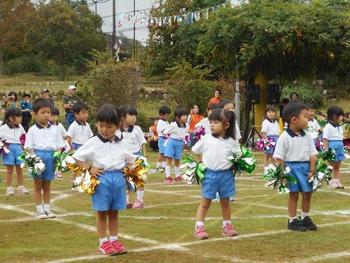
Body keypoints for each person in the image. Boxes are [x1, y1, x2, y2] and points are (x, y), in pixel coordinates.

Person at [73, 104, 135, 255]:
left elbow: (132, 160)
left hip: (118, 179)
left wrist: (128, 170)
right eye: (101, 126)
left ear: (117, 125)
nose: (104, 130)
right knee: (102, 212)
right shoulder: (93, 142)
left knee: (114, 212)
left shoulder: (121, 142)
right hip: (102, 180)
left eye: (109, 126)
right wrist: (90, 168)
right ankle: (103, 242)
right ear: (97, 125)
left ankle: (114, 240)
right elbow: (76, 158)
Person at [192, 109, 241, 239]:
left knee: (225, 202)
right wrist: (200, 163)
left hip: (226, 175)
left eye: (216, 122)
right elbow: (195, 150)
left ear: (226, 125)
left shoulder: (232, 141)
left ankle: (227, 225)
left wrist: (235, 164)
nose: (212, 125)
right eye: (211, 122)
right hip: (209, 175)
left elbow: (239, 155)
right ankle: (199, 226)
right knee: (205, 202)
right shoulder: (207, 138)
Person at [273, 101, 318, 231]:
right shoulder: (284, 137)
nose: (308, 119)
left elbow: (313, 154)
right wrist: (281, 174)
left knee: (307, 193)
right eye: (305, 116)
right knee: (293, 194)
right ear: (294, 120)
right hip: (291, 169)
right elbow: (279, 157)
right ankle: (292, 219)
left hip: (305, 169)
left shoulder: (307, 136)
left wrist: (312, 169)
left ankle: (305, 217)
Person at [24, 98, 65, 219]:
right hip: (37, 157)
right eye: (43, 112)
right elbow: (28, 147)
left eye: (48, 112)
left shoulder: (55, 129)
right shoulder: (32, 130)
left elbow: (59, 147)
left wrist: (58, 161)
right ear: (35, 114)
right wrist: (34, 160)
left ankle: (47, 208)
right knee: (37, 185)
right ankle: (39, 210)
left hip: (50, 157)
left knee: (47, 185)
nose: (46, 115)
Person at [118, 105, 147, 209]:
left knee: (139, 180)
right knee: (124, 181)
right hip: (123, 160)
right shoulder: (117, 130)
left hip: (136, 158)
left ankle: (139, 201)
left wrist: (145, 156)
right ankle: (125, 201)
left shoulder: (137, 129)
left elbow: (143, 143)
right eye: (131, 115)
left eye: (135, 115)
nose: (134, 117)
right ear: (122, 117)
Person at [0, 108, 28, 196]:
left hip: (19, 148)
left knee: (20, 170)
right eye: (19, 116)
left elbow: (24, 137)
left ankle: (21, 187)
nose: (21, 118)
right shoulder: (3, 128)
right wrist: (3, 146)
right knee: (9, 170)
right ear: (11, 118)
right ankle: (9, 188)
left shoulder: (21, 127)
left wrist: (24, 146)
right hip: (9, 149)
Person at [164, 107, 189, 184]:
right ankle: (167, 176)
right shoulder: (173, 125)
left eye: (186, 115)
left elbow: (186, 135)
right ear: (177, 117)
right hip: (172, 142)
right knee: (169, 159)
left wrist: (185, 143)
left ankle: (177, 176)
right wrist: (169, 138)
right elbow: (166, 132)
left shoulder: (187, 125)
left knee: (177, 160)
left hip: (180, 144)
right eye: (183, 115)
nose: (185, 117)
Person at [322, 106, 345, 189]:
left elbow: (341, 138)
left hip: (339, 146)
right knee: (331, 166)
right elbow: (325, 139)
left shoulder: (340, 126)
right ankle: (330, 181)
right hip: (332, 147)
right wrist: (326, 150)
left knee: (338, 166)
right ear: (335, 116)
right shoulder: (328, 126)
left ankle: (337, 181)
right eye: (341, 115)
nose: (343, 117)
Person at [261, 105, 280, 172]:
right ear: (266, 113)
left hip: (276, 139)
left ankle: (273, 168)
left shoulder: (276, 122)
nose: (271, 113)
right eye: (269, 112)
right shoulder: (265, 122)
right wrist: (266, 142)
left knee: (274, 155)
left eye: (272, 112)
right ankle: (266, 169)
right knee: (267, 155)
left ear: (275, 113)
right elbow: (264, 133)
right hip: (269, 139)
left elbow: (278, 132)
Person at [50, 107, 67, 179]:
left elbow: (65, 135)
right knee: (52, 160)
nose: (54, 118)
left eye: (55, 116)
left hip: (59, 147)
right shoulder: (47, 125)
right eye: (52, 116)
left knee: (59, 159)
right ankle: (52, 172)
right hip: (51, 146)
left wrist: (61, 142)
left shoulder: (60, 125)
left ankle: (59, 172)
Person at [156, 105, 171, 172]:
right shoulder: (160, 122)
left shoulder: (166, 122)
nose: (167, 116)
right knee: (161, 153)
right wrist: (168, 132)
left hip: (167, 139)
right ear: (162, 114)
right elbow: (163, 131)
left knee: (165, 153)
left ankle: (164, 166)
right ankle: (158, 166)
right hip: (162, 139)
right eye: (166, 115)